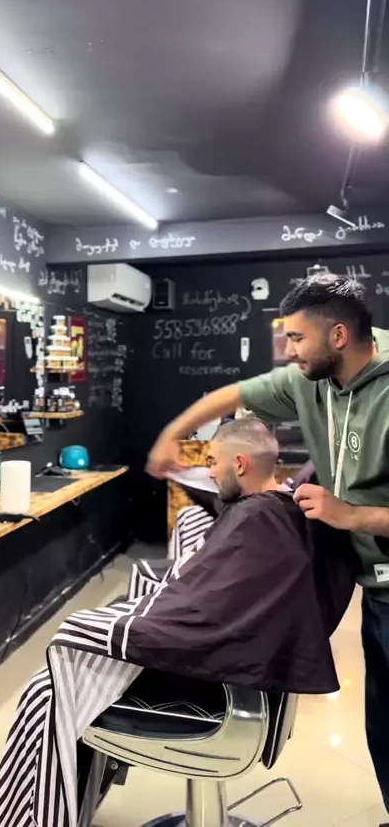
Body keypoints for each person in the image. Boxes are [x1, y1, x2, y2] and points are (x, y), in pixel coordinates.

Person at [0, 419, 354, 827]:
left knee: (51, 681)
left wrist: (105, 628)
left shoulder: (258, 520)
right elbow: (216, 600)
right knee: (86, 646)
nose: (209, 473)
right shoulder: (273, 508)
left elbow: (208, 614)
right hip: (242, 671)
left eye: (212, 463)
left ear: (240, 464)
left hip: (227, 693)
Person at [147, 272, 389, 823]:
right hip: (374, 587)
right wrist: (170, 436)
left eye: (297, 338)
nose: (289, 351)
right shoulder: (310, 381)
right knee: (383, 722)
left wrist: (351, 515)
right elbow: (232, 396)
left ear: (338, 336)